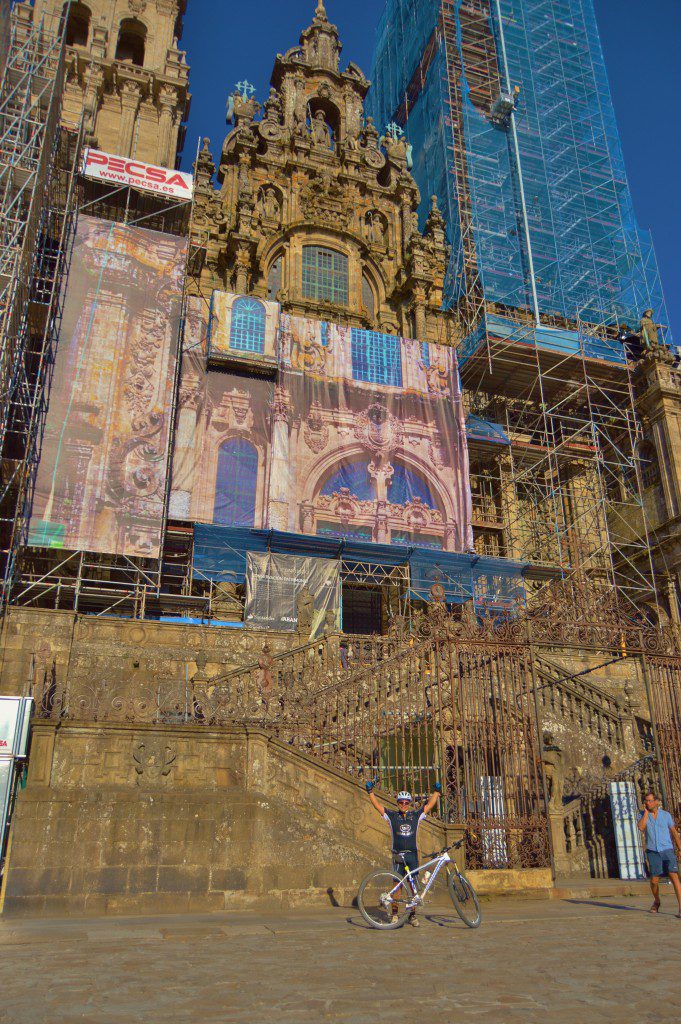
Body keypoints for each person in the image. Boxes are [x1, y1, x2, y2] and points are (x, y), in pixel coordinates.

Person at [366, 780, 441, 926]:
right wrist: (370, 792)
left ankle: (412, 916)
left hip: (412, 856)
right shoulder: (392, 816)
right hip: (398, 856)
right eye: (401, 803)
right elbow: (377, 806)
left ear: (409, 803)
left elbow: (429, 806)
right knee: (397, 887)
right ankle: (394, 915)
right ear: (398, 803)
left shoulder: (415, 816)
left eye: (407, 803)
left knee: (413, 887)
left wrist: (437, 792)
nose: (404, 805)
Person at [637, 790, 681, 917]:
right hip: (653, 851)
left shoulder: (666, 815)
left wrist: (679, 848)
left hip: (667, 850)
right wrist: (645, 812)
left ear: (656, 802)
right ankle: (657, 901)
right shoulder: (642, 815)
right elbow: (640, 827)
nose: (648, 803)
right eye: (646, 801)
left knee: (674, 877)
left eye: (650, 800)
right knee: (654, 880)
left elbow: (673, 832)